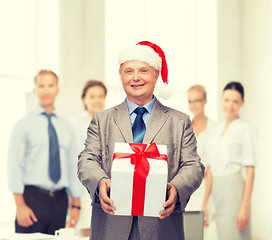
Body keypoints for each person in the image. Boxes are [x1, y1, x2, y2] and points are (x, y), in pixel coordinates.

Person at [77, 41, 205, 240]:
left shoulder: (179, 122)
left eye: (143, 70)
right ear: (121, 76)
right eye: (128, 71)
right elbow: (87, 160)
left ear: (156, 75)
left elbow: (193, 165)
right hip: (111, 225)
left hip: (161, 226)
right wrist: (100, 181)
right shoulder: (102, 120)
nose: (135, 77)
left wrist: (177, 188)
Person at [7, 70, 82, 235]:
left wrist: (76, 204)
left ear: (57, 90)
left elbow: (72, 167)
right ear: (35, 90)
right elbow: (14, 166)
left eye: (50, 85)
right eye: (41, 86)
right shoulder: (23, 126)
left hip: (60, 201)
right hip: (32, 200)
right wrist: (20, 206)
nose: (46, 90)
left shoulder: (67, 128)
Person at [202, 82, 255, 240]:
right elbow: (210, 169)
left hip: (235, 189)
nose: (230, 105)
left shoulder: (245, 129)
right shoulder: (214, 130)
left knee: (236, 235)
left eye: (235, 101)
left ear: (242, 103)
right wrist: (205, 203)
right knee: (223, 234)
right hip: (217, 190)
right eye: (226, 100)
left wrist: (245, 207)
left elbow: (250, 170)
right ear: (221, 99)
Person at [70, 80, 107, 229]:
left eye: (100, 96)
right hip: (83, 191)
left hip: (105, 190)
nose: (97, 100)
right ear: (84, 99)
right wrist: (75, 200)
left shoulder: (108, 121)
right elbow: (72, 161)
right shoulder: (76, 123)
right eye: (92, 96)